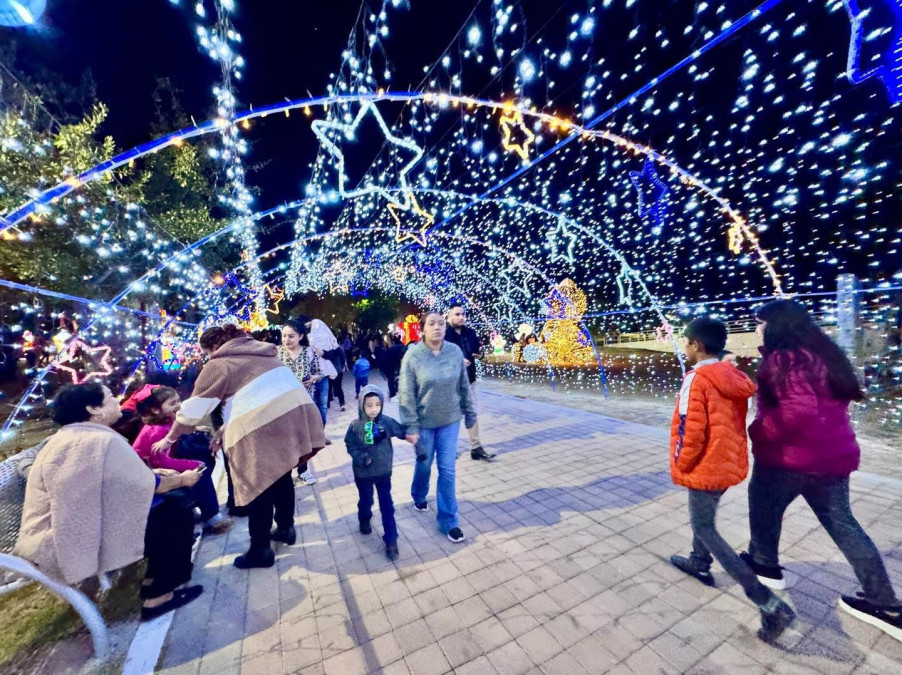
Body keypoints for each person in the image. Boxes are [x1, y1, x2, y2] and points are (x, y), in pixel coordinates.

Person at [743, 300, 901, 640]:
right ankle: (887, 605)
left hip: (789, 458)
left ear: (777, 325)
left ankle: (764, 563)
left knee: (764, 505)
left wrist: (758, 431)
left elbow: (799, 411)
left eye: (761, 322)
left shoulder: (785, 358)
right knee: (844, 526)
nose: (758, 328)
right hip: (832, 459)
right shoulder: (824, 355)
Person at [15, 383, 204, 621]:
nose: (118, 401)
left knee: (167, 511)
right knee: (175, 514)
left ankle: (155, 579)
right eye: (110, 397)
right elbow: (145, 485)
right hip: (70, 541)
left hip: (64, 533)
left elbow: (113, 482)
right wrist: (183, 479)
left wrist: (155, 474)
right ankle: (158, 597)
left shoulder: (73, 436)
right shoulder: (99, 440)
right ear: (94, 409)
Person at [151, 324, 325, 569]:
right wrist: (223, 429)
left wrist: (170, 438)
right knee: (282, 474)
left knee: (259, 485)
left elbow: (195, 408)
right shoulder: (262, 352)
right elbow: (248, 399)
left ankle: (260, 550)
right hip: (295, 416)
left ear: (214, 347)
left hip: (265, 427)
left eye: (207, 353)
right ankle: (286, 528)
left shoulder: (220, 364)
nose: (207, 358)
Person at [668, 317, 795, 643]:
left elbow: (689, 429)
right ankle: (698, 561)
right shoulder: (733, 375)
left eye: (686, 342)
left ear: (696, 345)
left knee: (705, 528)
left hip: (703, 465)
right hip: (727, 463)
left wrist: (682, 464)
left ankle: (767, 604)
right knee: (704, 519)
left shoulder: (696, 379)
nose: (685, 347)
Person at [399, 311, 477, 543]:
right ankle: (419, 494)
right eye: (431, 324)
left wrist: (470, 412)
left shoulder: (454, 352)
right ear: (422, 329)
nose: (437, 328)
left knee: (448, 469)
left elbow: (464, 384)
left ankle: (448, 521)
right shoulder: (413, 356)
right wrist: (410, 426)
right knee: (424, 463)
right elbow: (406, 394)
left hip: (450, 421)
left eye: (441, 323)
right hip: (423, 424)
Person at [131, 385, 232, 535]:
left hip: (156, 468)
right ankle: (211, 518)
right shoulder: (157, 430)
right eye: (172, 403)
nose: (178, 405)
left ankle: (203, 511)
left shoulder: (166, 422)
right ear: (155, 410)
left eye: (178, 401)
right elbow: (161, 461)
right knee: (201, 472)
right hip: (151, 474)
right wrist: (194, 465)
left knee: (199, 469)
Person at [344, 385, 406, 561]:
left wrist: (413, 427)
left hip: (383, 472)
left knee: (387, 505)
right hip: (363, 474)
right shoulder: (356, 426)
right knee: (366, 500)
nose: (374, 409)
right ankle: (364, 517)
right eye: (369, 405)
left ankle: (391, 540)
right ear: (362, 405)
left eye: (377, 404)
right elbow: (350, 444)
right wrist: (362, 457)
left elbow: (402, 431)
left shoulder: (386, 421)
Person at [445, 304, 494, 461]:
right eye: (457, 314)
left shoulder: (470, 333)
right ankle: (448, 449)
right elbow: (437, 357)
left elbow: (479, 351)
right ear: (449, 316)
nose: (461, 317)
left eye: (463, 314)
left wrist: (480, 356)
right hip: (451, 383)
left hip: (470, 380)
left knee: (471, 414)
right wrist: (457, 361)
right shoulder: (443, 334)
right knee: (452, 417)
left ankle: (476, 448)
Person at [279, 318, 325, 484]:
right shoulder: (277, 353)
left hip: (305, 403)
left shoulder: (309, 352)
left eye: (291, 336)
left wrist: (313, 378)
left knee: (304, 439)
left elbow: (319, 373)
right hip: (283, 404)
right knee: (286, 440)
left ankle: (303, 471)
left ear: (300, 336)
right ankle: (285, 475)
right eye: (284, 336)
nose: (286, 340)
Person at [383, 334, 407, 399]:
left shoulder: (400, 348)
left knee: (391, 378)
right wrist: (398, 371)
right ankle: (392, 394)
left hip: (388, 362)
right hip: (387, 364)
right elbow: (398, 362)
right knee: (391, 378)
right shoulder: (401, 350)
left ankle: (393, 392)